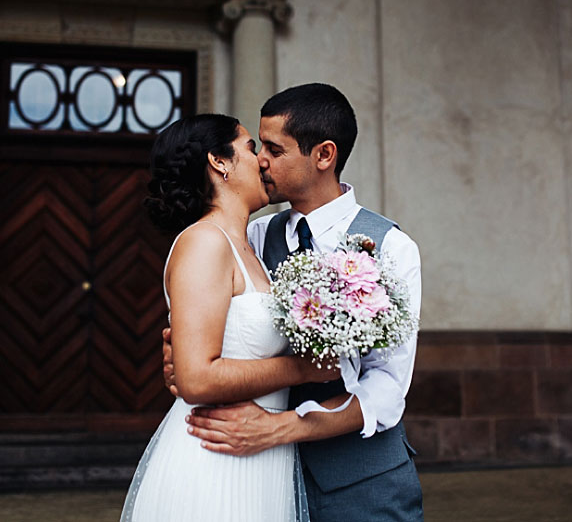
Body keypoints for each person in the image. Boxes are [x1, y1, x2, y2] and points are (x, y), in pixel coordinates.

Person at [170, 84, 424, 521]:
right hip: (258, 481)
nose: (260, 160)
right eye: (258, 146)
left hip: (361, 485)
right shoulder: (251, 237)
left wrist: (279, 429)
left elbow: (388, 386)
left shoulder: (391, 248)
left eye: (273, 148)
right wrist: (180, 361)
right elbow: (209, 342)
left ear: (324, 155)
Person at [121, 113, 337, 522]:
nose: (262, 162)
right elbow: (197, 379)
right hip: (215, 460)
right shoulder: (204, 243)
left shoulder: (252, 248)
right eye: (251, 149)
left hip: (262, 457)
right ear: (219, 162)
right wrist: (305, 370)